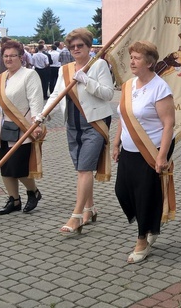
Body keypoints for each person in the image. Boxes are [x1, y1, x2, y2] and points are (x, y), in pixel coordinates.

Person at [43, 28, 114, 235]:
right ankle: (90, 209)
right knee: (82, 169)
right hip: (72, 124)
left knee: (84, 169)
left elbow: (108, 93)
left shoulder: (99, 65)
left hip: (94, 122)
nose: (75, 49)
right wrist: (42, 115)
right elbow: (56, 94)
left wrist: (86, 80)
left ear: (88, 46)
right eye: (72, 46)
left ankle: (76, 216)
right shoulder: (64, 70)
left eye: (80, 45)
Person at [113, 40, 176, 263]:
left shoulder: (160, 88)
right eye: (131, 57)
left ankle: (142, 239)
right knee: (122, 191)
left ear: (149, 62)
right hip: (129, 148)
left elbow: (169, 124)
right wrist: (116, 141)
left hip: (153, 148)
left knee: (144, 194)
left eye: (137, 58)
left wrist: (162, 156)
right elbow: (124, 115)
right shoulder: (128, 85)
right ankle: (150, 224)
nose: (132, 61)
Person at [0, 40, 45, 215]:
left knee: (18, 168)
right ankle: (14, 200)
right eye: (6, 56)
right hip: (2, 129)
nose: (9, 59)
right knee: (5, 167)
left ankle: (33, 192)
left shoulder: (29, 75)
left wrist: (36, 122)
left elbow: (36, 100)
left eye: (13, 55)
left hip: (23, 129)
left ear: (21, 57)